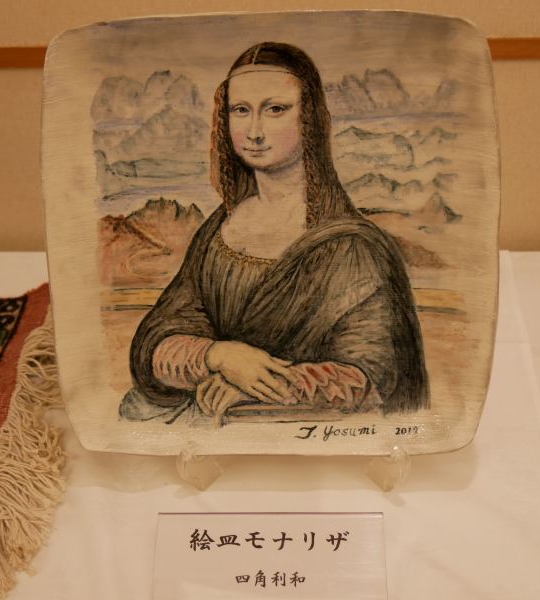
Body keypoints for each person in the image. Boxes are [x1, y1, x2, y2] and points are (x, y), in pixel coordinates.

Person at [120, 42, 429, 425]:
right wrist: (219, 356)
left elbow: (373, 375)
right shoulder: (218, 230)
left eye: (276, 109)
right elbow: (158, 340)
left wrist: (263, 384)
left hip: (313, 435)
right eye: (241, 110)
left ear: (309, 118)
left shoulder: (353, 247)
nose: (254, 131)